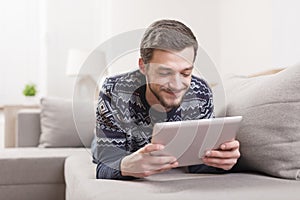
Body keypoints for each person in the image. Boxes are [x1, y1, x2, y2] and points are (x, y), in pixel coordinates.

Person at [91, 19, 240, 179]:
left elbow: (197, 164)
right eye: (164, 73)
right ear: (143, 66)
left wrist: (221, 161)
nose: (176, 85)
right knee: (97, 150)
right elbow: (104, 167)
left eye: (185, 73)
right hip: (118, 143)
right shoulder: (114, 91)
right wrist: (126, 166)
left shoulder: (200, 93)